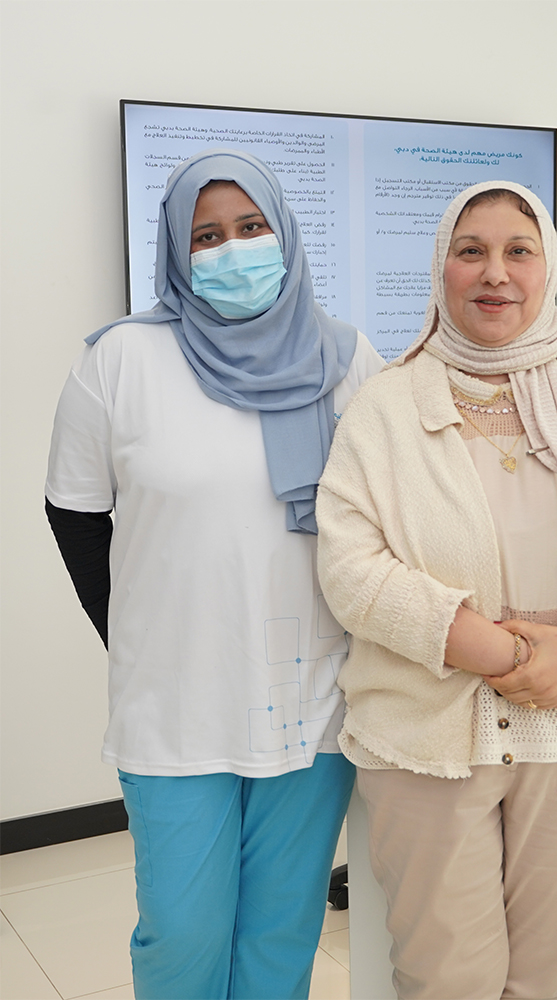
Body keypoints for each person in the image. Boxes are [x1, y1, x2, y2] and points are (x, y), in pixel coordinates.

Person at [316, 181, 557, 1000]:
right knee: (446, 979)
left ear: (546, 269)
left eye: (518, 251)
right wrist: (504, 655)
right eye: (472, 251)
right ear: (442, 270)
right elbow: (352, 569)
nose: (495, 272)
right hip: (427, 729)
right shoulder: (384, 408)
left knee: (544, 976)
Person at [45, 149, 384, 1000]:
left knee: (281, 932)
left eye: (251, 226)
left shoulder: (347, 360)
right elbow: (74, 513)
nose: (233, 249)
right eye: (206, 236)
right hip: (175, 703)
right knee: (183, 937)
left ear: (285, 231)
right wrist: (136, 638)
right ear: (175, 249)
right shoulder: (121, 359)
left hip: (313, 698)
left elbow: (386, 519)